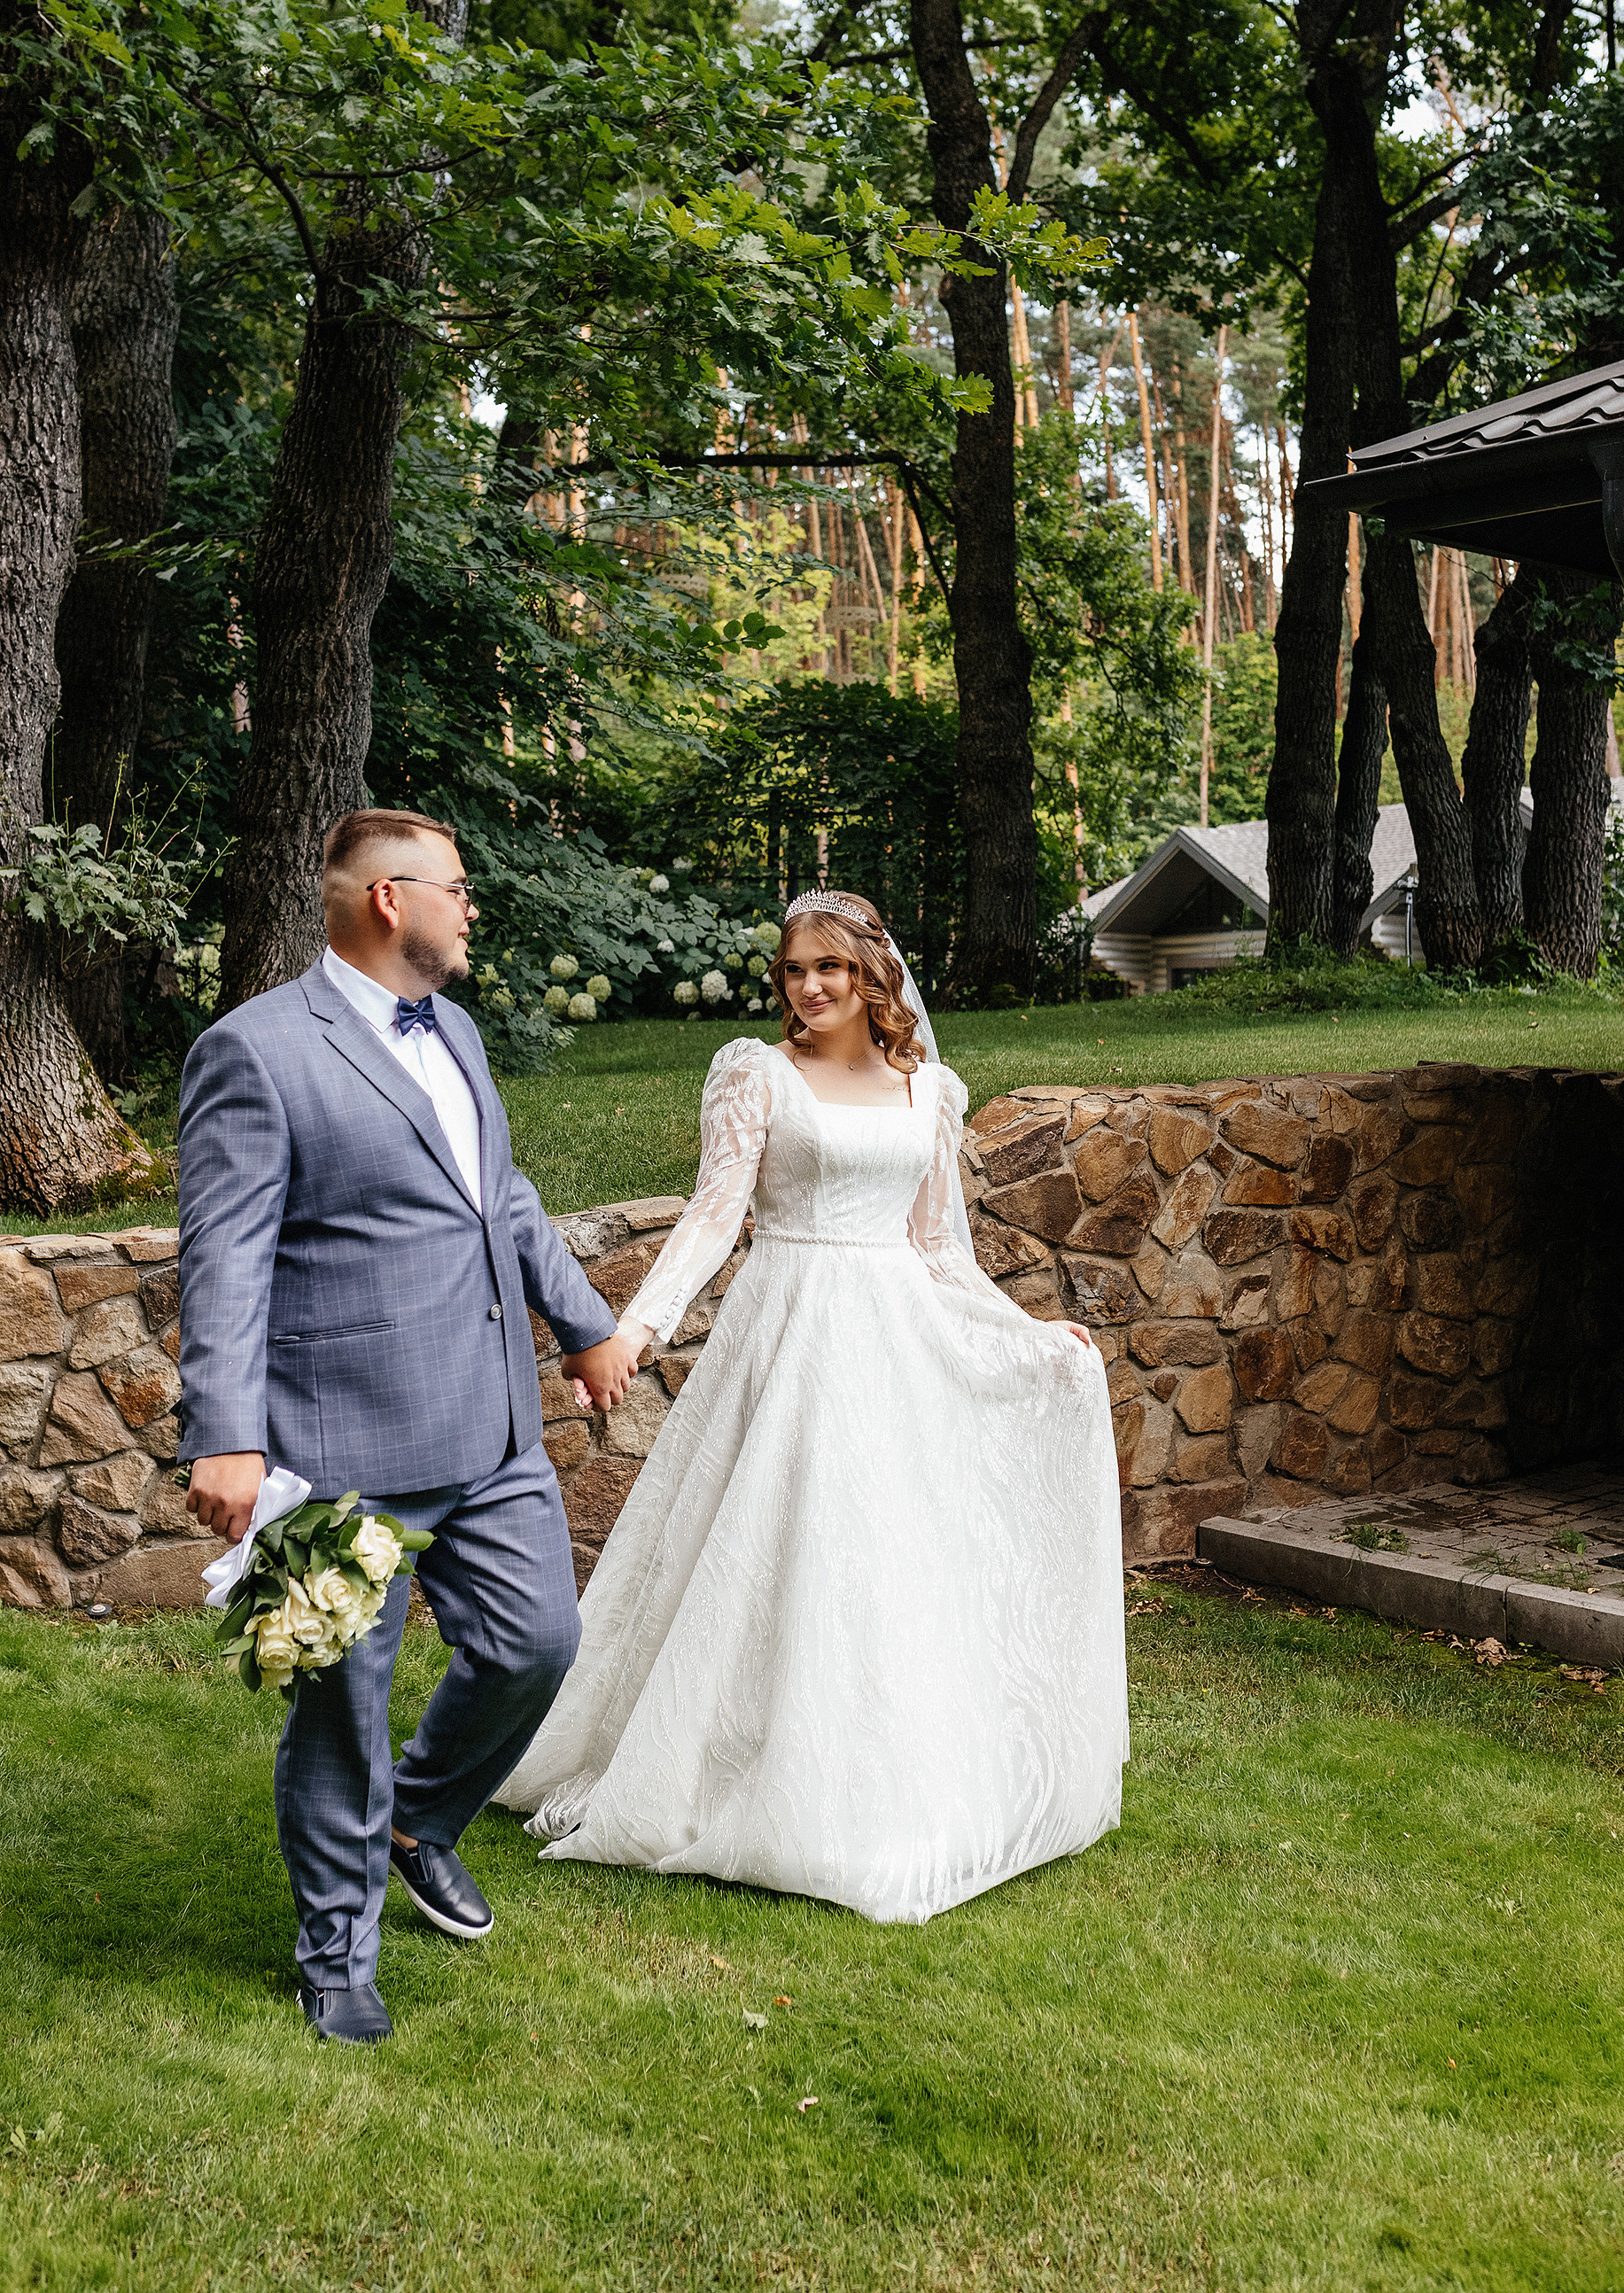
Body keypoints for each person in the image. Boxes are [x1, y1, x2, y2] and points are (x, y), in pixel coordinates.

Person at [497, 889, 1128, 1923]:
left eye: (827, 968)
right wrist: (637, 1329)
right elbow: (711, 1219)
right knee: (766, 1543)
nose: (807, 987)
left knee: (879, 1556)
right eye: (792, 970)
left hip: (891, 1340)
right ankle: (715, 1759)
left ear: (872, 973)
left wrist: (1026, 1333)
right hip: (784, 1327)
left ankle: (873, 1776)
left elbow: (937, 1249)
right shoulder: (759, 1075)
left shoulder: (933, 1093)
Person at [178, 808, 645, 2044]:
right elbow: (222, 1264)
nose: (471, 905)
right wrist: (222, 1433)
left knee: (540, 1644)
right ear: (390, 900)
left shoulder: (461, 1032)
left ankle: (419, 1819)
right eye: (457, 885)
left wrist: (585, 1323)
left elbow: (502, 1196)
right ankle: (337, 1954)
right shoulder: (257, 1053)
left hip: (490, 1431)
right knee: (340, 1710)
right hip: (335, 1449)